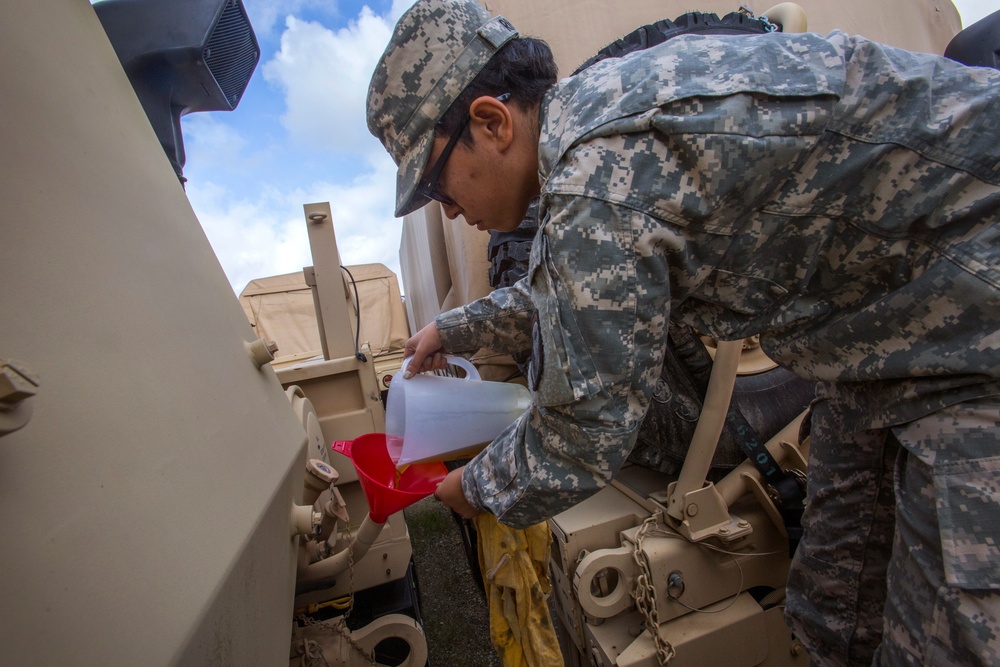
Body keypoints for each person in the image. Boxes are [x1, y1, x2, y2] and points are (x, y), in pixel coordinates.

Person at [366, 0, 1000, 664]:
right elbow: (580, 285)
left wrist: (472, 487)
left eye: (437, 181)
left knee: (943, 646)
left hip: (967, 331)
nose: (449, 208)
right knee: (830, 615)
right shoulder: (593, 129)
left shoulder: (591, 181)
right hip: (877, 350)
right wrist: (455, 327)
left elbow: (584, 437)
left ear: (491, 122)